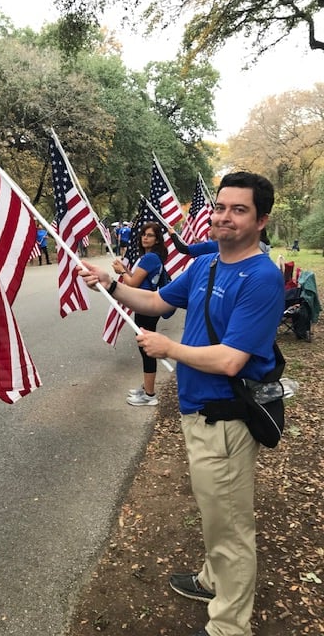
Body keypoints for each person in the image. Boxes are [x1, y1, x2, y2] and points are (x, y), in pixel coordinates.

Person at [79, 172, 285, 636]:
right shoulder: (206, 265)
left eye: (239, 210)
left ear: (261, 219)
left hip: (227, 421)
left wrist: (168, 349)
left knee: (231, 525)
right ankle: (214, 580)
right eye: (220, 207)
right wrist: (109, 285)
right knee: (216, 511)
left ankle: (230, 624)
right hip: (197, 413)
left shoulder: (262, 278)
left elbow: (231, 360)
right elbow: (154, 299)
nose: (223, 217)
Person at [112, 222, 168, 406]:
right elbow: (136, 278)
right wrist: (126, 270)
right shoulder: (151, 257)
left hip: (146, 305)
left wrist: (121, 272)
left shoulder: (150, 258)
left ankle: (150, 395)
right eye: (144, 234)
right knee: (144, 347)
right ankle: (146, 387)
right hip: (146, 304)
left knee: (146, 349)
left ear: (157, 239)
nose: (145, 237)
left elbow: (132, 284)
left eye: (150, 235)